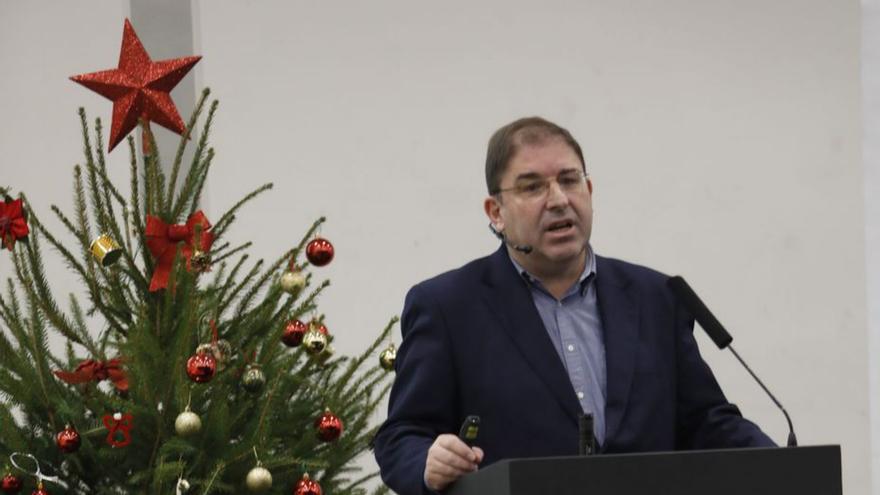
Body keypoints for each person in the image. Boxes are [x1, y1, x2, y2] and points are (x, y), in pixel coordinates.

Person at [372, 117, 775, 495]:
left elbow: (705, 422)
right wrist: (426, 460)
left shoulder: (656, 297)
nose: (559, 200)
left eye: (569, 180)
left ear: (590, 191)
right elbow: (401, 435)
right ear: (496, 213)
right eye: (532, 187)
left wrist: (785, 466)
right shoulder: (448, 307)